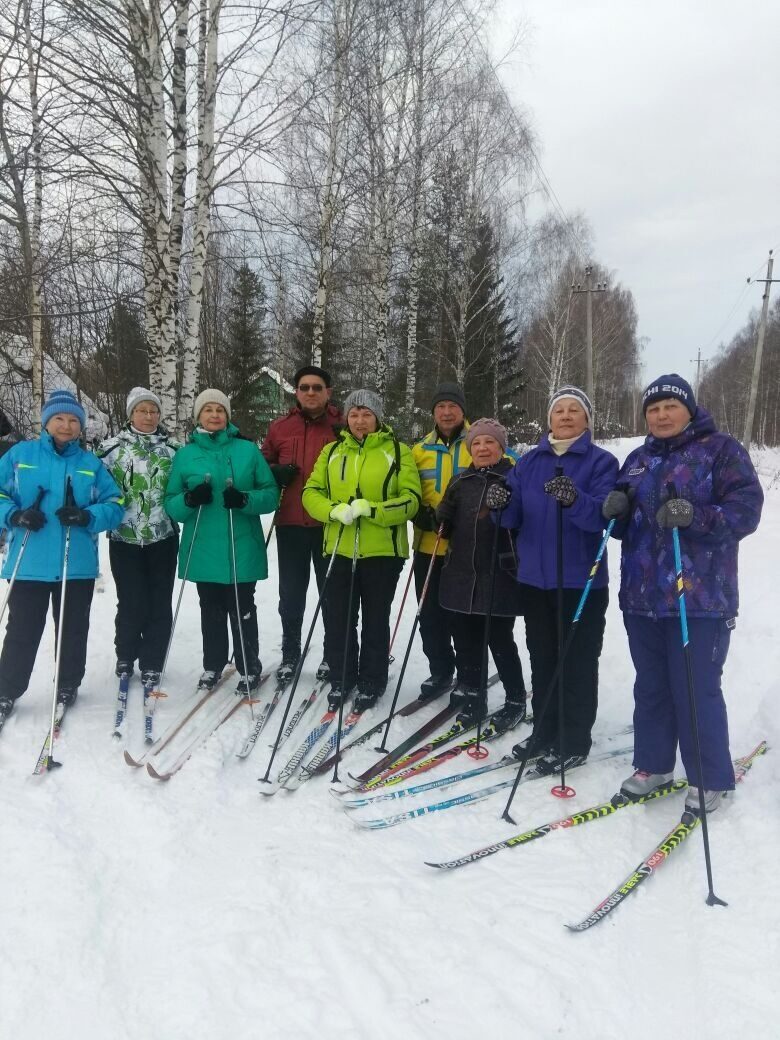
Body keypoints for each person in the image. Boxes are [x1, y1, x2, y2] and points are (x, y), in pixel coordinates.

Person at [603, 374, 763, 814]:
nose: (661, 415)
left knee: (696, 688)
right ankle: (654, 766)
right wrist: (613, 514)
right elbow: (623, 525)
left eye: (670, 406)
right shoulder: (637, 460)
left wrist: (695, 516)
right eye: (653, 409)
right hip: (642, 598)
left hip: (700, 598)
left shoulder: (721, 451)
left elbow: (745, 511)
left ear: (689, 409)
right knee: (651, 687)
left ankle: (710, 778)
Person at [499, 386, 618, 776]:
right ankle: (544, 729)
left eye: (574, 411)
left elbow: (602, 519)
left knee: (577, 660)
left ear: (586, 420)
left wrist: (575, 500)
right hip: (534, 580)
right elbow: (512, 518)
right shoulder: (529, 462)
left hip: (580, 582)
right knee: (543, 656)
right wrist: (500, 504)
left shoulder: (601, 462)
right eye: (558, 411)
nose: (565, 417)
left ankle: (574, 737)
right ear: (549, 420)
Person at [0, 389, 125, 721]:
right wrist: (14, 515)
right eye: (59, 418)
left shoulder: (89, 463)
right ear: (46, 422)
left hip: (76, 564)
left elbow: (116, 504)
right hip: (29, 563)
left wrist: (88, 516)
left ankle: (68, 683)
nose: (66, 426)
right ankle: (7, 690)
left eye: (73, 421)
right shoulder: (20, 455)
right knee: (22, 630)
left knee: (72, 628)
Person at [302, 389, 421, 713]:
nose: (359, 420)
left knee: (375, 619)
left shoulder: (398, 451)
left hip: (382, 552)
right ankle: (343, 677)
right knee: (339, 618)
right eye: (354, 414)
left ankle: (372, 680)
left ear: (378, 418)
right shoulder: (332, 451)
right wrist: (332, 510)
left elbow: (411, 500)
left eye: (366, 414)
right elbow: (310, 492)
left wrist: (373, 509)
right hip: (339, 548)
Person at [164, 389, 279, 694]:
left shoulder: (247, 451)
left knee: (242, 608)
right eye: (208, 410)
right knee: (210, 610)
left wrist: (244, 499)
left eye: (220, 410)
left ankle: (248, 667)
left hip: (240, 545)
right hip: (203, 547)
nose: (214, 415)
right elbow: (171, 504)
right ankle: (212, 665)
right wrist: (189, 499)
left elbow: (270, 494)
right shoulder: (185, 455)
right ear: (198, 416)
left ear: (228, 416)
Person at [435, 418, 525, 726]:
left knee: (499, 639)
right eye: (476, 443)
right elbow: (445, 527)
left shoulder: (514, 477)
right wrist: (442, 517)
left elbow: (525, 521)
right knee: (466, 639)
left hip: (499, 572)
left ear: (501, 447)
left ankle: (515, 698)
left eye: (490, 442)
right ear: (469, 448)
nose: (483, 448)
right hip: (460, 572)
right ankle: (473, 694)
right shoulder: (461, 481)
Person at [260, 366, 342, 683]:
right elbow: (262, 464)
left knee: (331, 593)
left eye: (317, 387)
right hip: (291, 522)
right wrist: (274, 471)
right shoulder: (280, 427)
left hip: (329, 524)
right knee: (291, 595)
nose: (310, 392)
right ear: (296, 391)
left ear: (328, 392)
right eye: (304, 387)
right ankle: (291, 655)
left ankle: (332, 654)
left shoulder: (342, 425)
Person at [97, 388, 180, 686]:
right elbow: (96, 489)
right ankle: (125, 655)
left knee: (159, 600)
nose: (148, 416)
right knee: (131, 600)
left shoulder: (174, 450)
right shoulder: (110, 449)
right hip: (124, 538)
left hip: (163, 537)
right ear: (131, 414)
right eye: (142, 410)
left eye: (153, 411)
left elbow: (184, 486)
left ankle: (153, 660)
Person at [411, 383, 472, 700]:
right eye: (440, 407)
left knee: (462, 616)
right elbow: (406, 490)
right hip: (428, 546)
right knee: (429, 614)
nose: (447, 412)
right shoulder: (419, 450)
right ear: (433, 413)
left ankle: (467, 673)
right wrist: (418, 514)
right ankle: (441, 669)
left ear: (463, 410)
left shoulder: (481, 442)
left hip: (468, 548)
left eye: (452, 406)